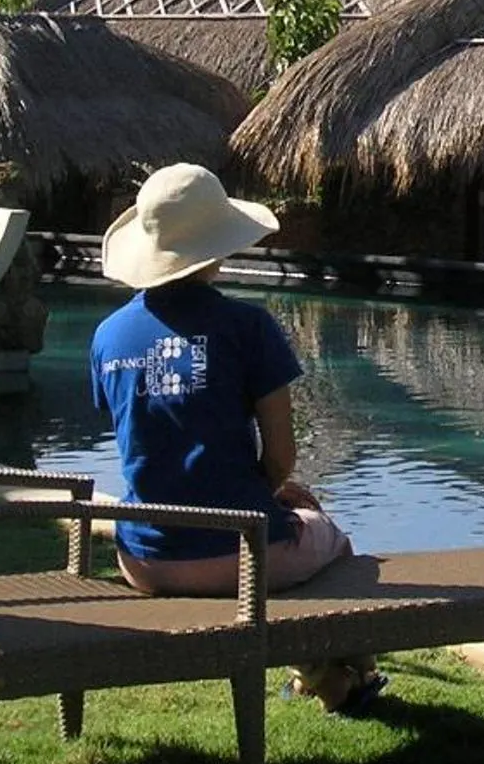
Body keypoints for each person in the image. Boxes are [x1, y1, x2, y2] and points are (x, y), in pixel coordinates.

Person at [89, 164, 379, 710]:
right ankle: (345, 676)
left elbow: (144, 441)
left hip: (145, 559)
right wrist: (264, 493)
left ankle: (324, 675)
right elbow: (282, 458)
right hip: (241, 552)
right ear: (216, 247)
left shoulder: (107, 337)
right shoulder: (248, 328)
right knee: (335, 541)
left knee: (292, 532)